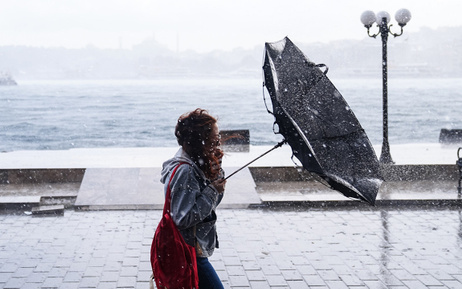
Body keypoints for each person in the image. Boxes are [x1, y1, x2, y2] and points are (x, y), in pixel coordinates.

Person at [160, 108, 226, 289]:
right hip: (188, 250)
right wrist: (212, 190)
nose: (218, 142)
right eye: (214, 138)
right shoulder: (186, 171)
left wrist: (214, 175)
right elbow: (183, 218)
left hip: (190, 248)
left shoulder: (194, 163)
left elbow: (209, 206)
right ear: (200, 141)